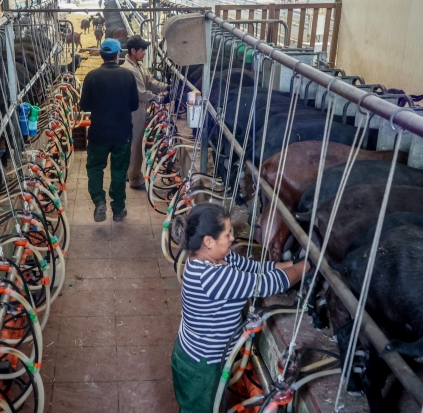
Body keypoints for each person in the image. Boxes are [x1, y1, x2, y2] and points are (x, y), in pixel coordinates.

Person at [171, 203, 310, 413]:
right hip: (200, 365)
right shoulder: (211, 277)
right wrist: (310, 263)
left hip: (197, 354)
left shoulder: (217, 257)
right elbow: (271, 283)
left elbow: (258, 269)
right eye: (227, 234)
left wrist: (294, 265)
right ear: (208, 241)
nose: (233, 239)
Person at [79, 38, 139, 222]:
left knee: (95, 168)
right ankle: (119, 210)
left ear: (102, 55)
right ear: (118, 54)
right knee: (119, 170)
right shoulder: (128, 75)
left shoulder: (91, 76)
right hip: (122, 134)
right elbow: (134, 105)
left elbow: (85, 106)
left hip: (99, 133)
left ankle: (99, 201)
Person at [122, 35, 168, 190]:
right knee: (135, 144)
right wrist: (161, 99)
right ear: (133, 51)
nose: (145, 53)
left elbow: (151, 83)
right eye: (142, 50)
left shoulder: (139, 66)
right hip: (134, 112)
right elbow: (142, 93)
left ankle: (130, 173)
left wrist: (168, 87)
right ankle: (134, 178)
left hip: (139, 109)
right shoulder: (129, 70)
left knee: (135, 143)